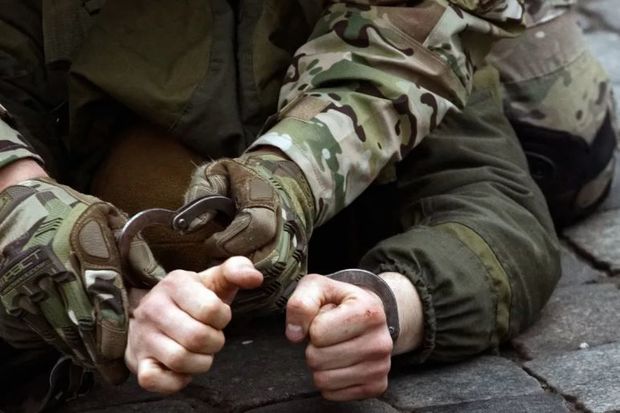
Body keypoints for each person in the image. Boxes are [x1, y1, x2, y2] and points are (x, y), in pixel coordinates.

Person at [0, 0, 615, 410]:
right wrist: (105, 299)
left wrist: (391, 303)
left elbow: (492, 196)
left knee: (567, 153)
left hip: (380, 45)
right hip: (72, 84)